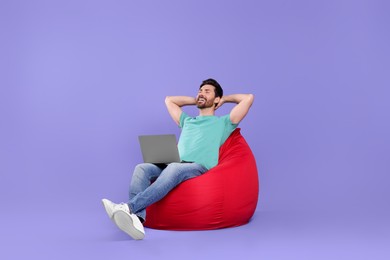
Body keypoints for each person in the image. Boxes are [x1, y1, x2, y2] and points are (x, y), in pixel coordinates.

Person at [102, 78, 254, 240]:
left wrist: (224, 100)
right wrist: (196, 100)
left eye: (207, 91)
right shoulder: (188, 121)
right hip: (174, 162)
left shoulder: (223, 122)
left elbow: (248, 98)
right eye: (200, 91)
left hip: (198, 167)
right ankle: (137, 220)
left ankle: (129, 208)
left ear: (216, 99)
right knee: (141, 167)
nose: (201, 93)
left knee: (174, 168)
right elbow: (169, 100)